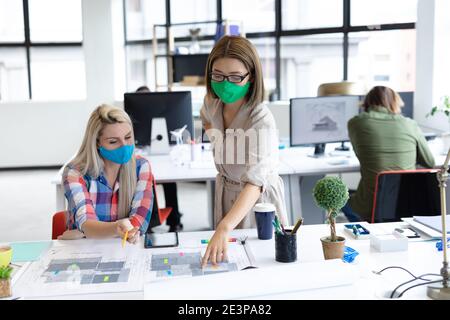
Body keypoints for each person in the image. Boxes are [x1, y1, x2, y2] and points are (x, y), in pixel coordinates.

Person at [200, 36, 287, 266]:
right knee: (226, 265)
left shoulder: (261, 118)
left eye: (236, 77)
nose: (225, 83)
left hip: (257, 202)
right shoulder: (212, 103)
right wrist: (219, 144)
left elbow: (255, 183)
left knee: (257, 267)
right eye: (218, 75)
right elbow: (206, 120)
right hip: (226, 192)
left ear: (252, 77)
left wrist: (224, 226)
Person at [59, 104, 154, 242]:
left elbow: (138, 224)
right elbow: (86, 222)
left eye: (128, 137)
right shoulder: (75, 172)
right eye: (113, 141)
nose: (124, 145)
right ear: (97, 143)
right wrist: (115, 228)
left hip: (125, 250)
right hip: (85, 253)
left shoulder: (141, 167)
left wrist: (86, 233)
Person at [342, 86, 435, 222]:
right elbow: (430, 162)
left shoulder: (356, 123)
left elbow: (360, 153)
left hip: (370, 208)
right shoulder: (410, 124)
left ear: (366, 103)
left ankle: (364, 231)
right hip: (407, 207)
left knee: (340, 197)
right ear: (394, 103)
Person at [135, 85, 184, 232]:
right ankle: (148, 221)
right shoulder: (133, 115)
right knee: (145, 181)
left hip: (162, 152)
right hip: (143, 154)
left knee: (170, 181)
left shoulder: (161, 114)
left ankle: (174, 220)